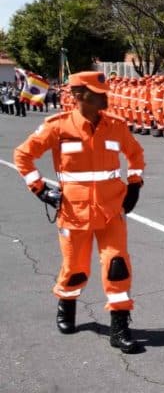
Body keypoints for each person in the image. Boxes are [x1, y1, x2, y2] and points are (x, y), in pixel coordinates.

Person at [13, 71, 146, 353]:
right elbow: (22, 156)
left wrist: (134, 185)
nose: (106, 97)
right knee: (75, 269)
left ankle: (119, 326)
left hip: (111, 210)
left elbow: (135, 155)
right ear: (78, 96)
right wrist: (40, 189)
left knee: (117, 266)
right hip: (74, 212)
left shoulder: (116, 126)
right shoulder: (57, 127)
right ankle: (67, 304)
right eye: (99, 93)